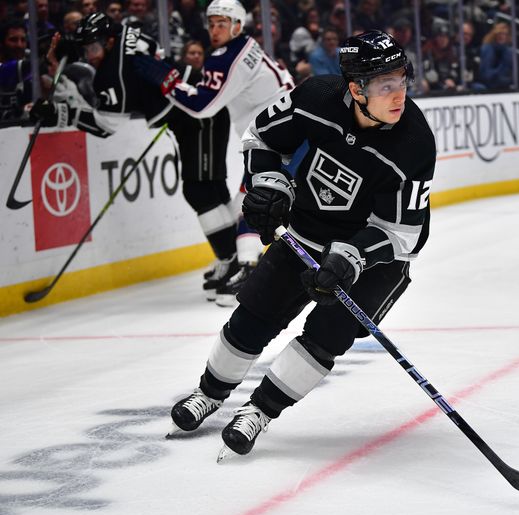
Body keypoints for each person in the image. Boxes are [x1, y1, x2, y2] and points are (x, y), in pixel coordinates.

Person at [167, 30, 436, 459]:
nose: (398, 93)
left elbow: (401, 232)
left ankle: (259, 412)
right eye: (385, 85)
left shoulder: (415, 143)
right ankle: (210, 394)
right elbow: (261, 137)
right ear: (356, 89)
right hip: (307, 233)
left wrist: (350, 259)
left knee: (325, 336)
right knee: (254, 315)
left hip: (375, 258)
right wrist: (272, 185)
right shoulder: (316, 97)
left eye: (401, 80)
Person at [30, 14, 235, 297]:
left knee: (200, 191)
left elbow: (106, 126)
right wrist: (72, 48)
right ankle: (236, 258)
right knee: (211, 187)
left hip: (197, 117)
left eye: (93, 50)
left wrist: (60, 112)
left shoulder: (113, 77)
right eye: (87, 50)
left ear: (108, 41)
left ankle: (234, 263)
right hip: (199, 108)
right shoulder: (125, 32)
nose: (91, 58)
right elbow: (145, 48)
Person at [167, 0, 295, 306]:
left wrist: (166, 82)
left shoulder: (229, 56)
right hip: (280, 133)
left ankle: (250, 272)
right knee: (249, 204)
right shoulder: (243, 47)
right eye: (211, 24)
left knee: (252, 204)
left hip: (279, 138)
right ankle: (246, 268)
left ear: (237, 25)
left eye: (222, 23)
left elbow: (203, 106)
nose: (215, 29)